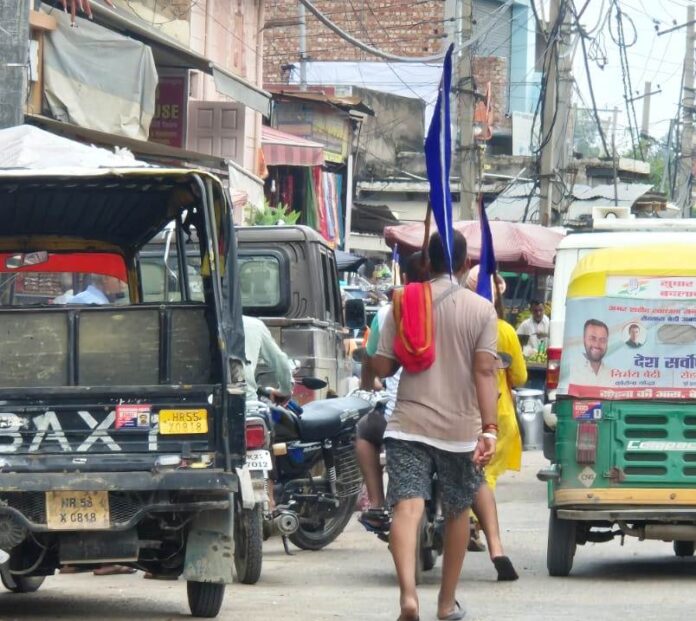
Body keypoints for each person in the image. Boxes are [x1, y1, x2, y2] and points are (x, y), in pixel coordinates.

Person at [372, 231, 499, 621]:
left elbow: (382, 367)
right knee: (458, 511)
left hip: (408, 423)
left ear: (426, 260)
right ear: (464, 264)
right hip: (459, 430)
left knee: (407, 508)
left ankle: (408, 596)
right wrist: (489, 428)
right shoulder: (482, 310)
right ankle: (445, 604)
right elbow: (484, 372)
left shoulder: (404, 302)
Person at [356, 252, 429, 533]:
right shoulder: (456, 306)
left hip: (399, 415)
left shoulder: (389, 311)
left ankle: (376, 503)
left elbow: (375, 362)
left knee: (364, 433)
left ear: (406, 279)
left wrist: (370, 382)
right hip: (449, 413)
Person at [464, 265, 526, 582]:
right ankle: (480, 531)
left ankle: (472, 525)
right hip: (499, 414)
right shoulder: (506, 331)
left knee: (478, 473)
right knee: (484, 475)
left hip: (465, 410)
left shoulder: (461, 322)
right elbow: (521, 376)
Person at [242, 315, 294, 403]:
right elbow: (280, 360)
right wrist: (285, 391)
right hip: (246, 401)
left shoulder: (212, 323)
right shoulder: (253, 324)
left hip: (211, 402)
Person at [574, 319, 612, 386]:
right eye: (592, 338)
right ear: (583, 339)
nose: (597, 345)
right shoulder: (572, 369)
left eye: (602, 340)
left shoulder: (612, 374)